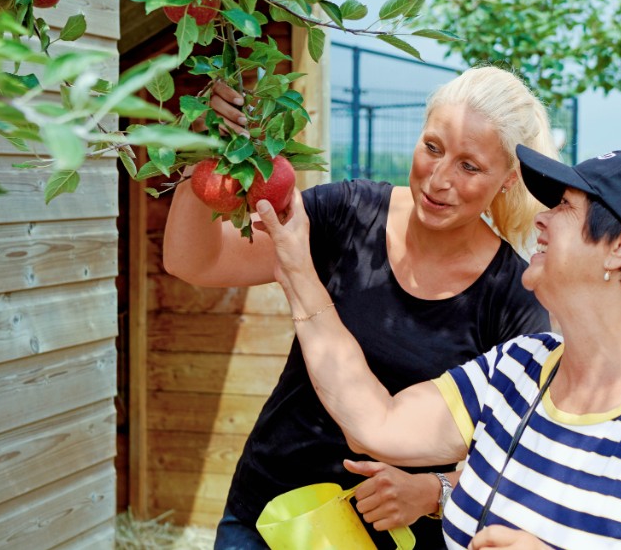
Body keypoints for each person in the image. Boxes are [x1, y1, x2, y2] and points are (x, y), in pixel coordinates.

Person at [253, 146, 621, 549]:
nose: (541, 219)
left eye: (564, 207)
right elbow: (376, 424)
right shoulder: (519, 367)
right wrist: (298, 269)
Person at [162, 65, 558, 549]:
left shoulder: (513, 300)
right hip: (270, 518)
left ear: (507, 179)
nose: (438, 179)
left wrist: (436, 491)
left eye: (469, 166)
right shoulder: (347, 215)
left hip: (391, 540)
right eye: (432, 148)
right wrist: (200, 157)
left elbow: (514, 457)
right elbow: (194, 260)